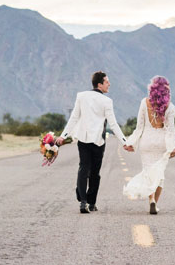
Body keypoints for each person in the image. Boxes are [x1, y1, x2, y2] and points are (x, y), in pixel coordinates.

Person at [56, 71, 134, 213]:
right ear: (99, 84)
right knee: (95, 172)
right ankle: (91, 203)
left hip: (83, 139)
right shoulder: (107, 101)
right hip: (98, 141)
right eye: (106, 82)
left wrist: (63, 136)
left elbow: (73, 118)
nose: (109, 84)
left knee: (83, 168)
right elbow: (113, 124)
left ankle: (83, 202)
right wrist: (124, 142)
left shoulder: (81, 96)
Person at [123, 76, 175, 214]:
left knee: (148, 172)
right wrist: (172, 147)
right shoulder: (170, 107)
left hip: (146, 142)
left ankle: (151, 199)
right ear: (164, 88)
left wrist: (131, 143)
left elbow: (139, 127)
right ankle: (154, 203)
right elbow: (170, 131)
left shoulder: (144, 102)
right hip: (161, 142)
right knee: (159, 174)